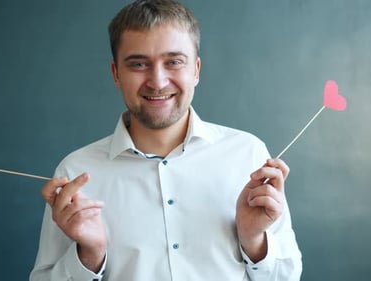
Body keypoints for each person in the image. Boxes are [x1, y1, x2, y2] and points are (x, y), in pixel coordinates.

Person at [29, 0, 302, 280]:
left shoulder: (248, 154)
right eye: (138, 64)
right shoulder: (75, 173)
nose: (158, 82)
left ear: (195, 70)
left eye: (173, 62)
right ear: (116, 74)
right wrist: (88, 256)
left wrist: (254, 241)